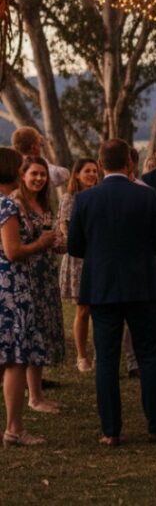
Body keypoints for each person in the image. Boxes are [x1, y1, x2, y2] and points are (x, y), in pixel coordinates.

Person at [68, 138, 156, 446]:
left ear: (100, 164)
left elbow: (75, 246)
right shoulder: (146, 195)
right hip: (142, 285)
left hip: (102, 287)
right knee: (149, 357)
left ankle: (110, 431)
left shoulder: (85, 199)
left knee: (106, 360)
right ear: (129, 163)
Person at [0, 147, 56, 447]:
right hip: (12, 289)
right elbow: (13, 251)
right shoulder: (7, 205)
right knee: (15, 359)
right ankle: (14, 429)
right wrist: (41, 243)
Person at [12, 157, 65, 414]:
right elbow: (17, 244)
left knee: (42, 334)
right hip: (26, 277)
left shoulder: (44, 202)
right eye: (34, 174)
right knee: (30, 334)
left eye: (43, 174)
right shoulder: (16, 203)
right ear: (22, 175)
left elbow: (50, 237)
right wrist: (42, 243)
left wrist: (58, 242)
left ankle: (37, 395)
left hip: (46, 276)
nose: (39, 179)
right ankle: (32, 397)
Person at [58, 158, 100, 372]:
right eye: (87, 171)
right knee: (83, 310)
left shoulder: (100, 195)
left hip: (99, 257)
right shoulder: (69, 198)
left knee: (100, 310)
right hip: (78, 257)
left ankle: (100, 354)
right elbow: (64, 226)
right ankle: (82, 356)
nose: (92, 174)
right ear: (76, 174)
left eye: (94, 171)